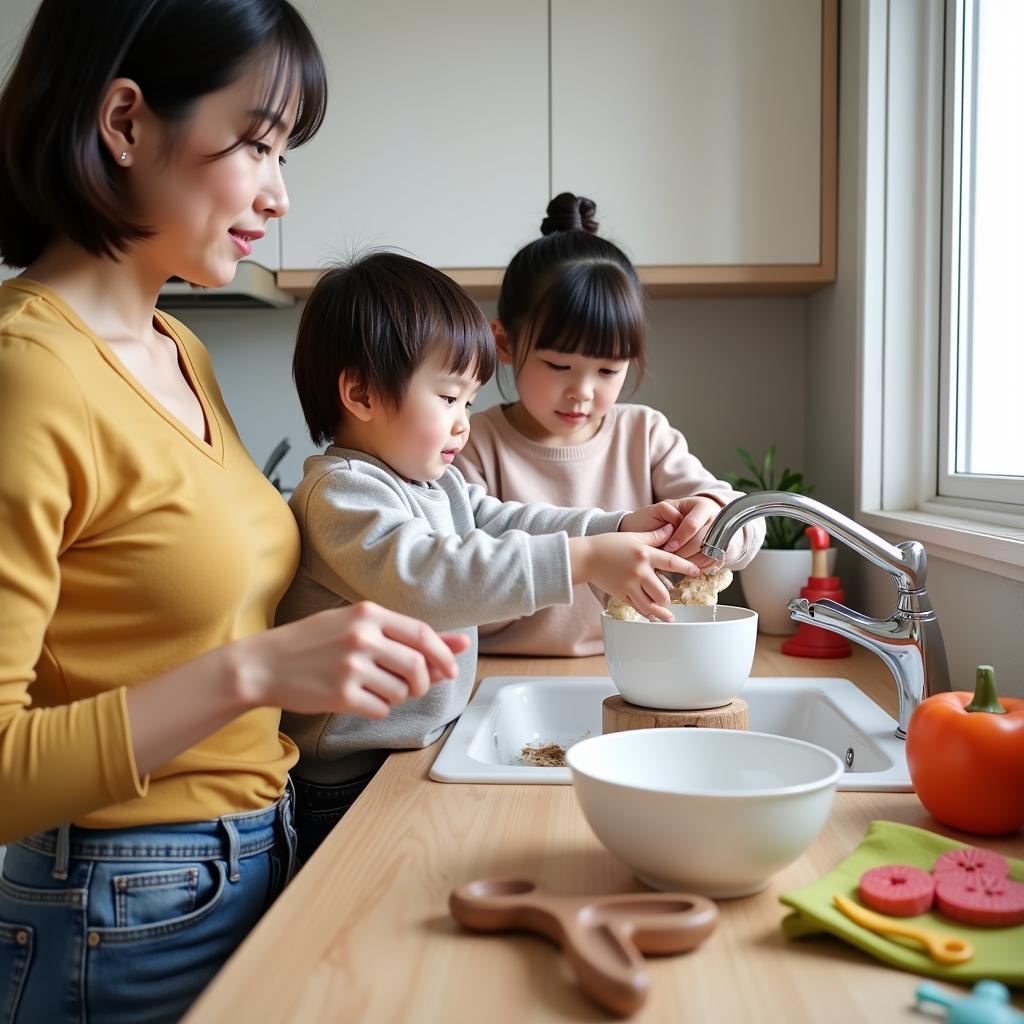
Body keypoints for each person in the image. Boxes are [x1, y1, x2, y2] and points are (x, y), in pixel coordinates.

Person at [0, 4, 470, 1021]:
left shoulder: (178, 346)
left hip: (251, 853)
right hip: (122, 906)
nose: (280, 192)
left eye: (284, 150)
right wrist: (256, 669)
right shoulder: (29, 375)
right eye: (256, 143)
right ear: (124, 123)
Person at [276, 251, 706, 859]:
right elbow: (426, 578)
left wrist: (617, 524)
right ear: (362, 393)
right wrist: (583, 560)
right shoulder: (342, 493)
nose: (464, 424)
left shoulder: (432, 483)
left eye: (469, 400)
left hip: (411, 748)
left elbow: (506, 521)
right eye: (449, 398)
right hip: (345, 780)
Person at [454, 193, 766, 656]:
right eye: (559, 366)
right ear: (504, 342)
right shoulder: (470, 444)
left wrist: (714, 517)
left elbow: (745, 522)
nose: (582, 390)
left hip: (630, 662)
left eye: (607, 371)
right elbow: (463, 576)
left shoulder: (645, 435)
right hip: (498, 670)